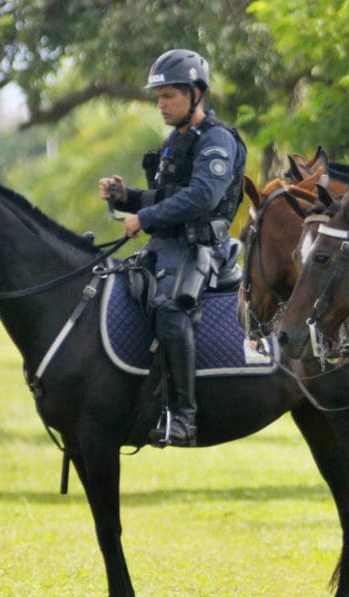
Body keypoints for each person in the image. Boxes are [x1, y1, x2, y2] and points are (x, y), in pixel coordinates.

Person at [99, 49, 248, 447]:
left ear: (195, 94)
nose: (161, 104)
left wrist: (143, 220)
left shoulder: (217, 140)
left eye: (169, 96)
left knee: (170, 308)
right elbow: (167, 196)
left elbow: (201, 197)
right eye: (158, 97)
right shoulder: (176, 141)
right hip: (168, 246)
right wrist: (127, 196)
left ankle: (183, 416)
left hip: (203, 248)